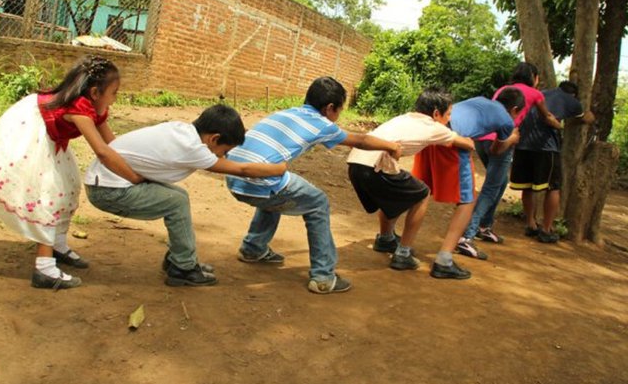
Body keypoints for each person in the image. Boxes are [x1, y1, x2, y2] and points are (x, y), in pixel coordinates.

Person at [225, 76, 401, 294]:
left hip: (233, 175)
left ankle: (253, 248)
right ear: (329, 108)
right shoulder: (321, 124)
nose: (338, 116)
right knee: (317, 202)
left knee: (280, 191)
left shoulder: (288, 112)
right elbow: (361, 141)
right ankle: (323, 276)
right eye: (339, 110)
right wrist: (392, 146)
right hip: (258, 180)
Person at [84, 104, 287, 287]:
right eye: (223, 150)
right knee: (177, 202)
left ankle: (178, 258)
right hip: (108, 190)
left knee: (177, 196)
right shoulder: (193, 149)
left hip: (105, 181)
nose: (222, 156)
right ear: (214, 138)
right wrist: (278, 168)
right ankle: (183, 268)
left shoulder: (182, 130)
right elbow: (242, 170)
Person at [0, 56, 143, 290]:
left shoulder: (95, 109)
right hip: (30, 133)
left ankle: (57, 244)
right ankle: (44, 269)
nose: (115, 99)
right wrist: (134, 178)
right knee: (47, 195)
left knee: (69, 187)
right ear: (94, 92)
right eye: (114, 93)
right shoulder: (78, 108)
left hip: (52, 138)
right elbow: (101, 151)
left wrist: (142, 163)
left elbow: (112, 144)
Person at [347, 89, 474, 271]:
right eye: (448, 115)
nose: (449, 120)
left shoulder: (404, 117)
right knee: (422, 193)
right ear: (436, 113)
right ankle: (403, 254)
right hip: (374, 166)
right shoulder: (434, 127)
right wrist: (471, 140)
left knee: (396, 191)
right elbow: (465, 143)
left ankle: (385, 239)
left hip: (355, 163)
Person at [412, 87, 524, 279]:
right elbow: (496, 151)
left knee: (420, 191)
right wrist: (512, 138)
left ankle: (399, 248)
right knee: (467, 201)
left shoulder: (480, 99)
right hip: (454, 140)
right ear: (514, 110)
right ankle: (444, 260)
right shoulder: (506, 120)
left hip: (431, 134)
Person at [458, 62, 562, 260]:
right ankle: (467, 235)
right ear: (533, 77)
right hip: (502, 139)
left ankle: (484, 226)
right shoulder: (535, 94)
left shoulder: (503, 89)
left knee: (500, 182)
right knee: (491, 187)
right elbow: (547, 116)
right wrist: (560, 126)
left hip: (482, 139)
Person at [510, 81, 595, 243]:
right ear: (574, 94)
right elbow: (585, 118)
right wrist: (589, 117)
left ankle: (530, 224)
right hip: (546, 148)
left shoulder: (542, 93)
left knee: (527, 186)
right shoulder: (572, 102)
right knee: (553, 187)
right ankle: (546, 229)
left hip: (522, 144)